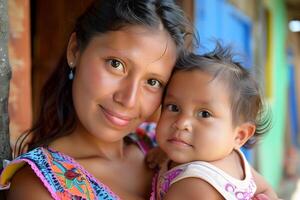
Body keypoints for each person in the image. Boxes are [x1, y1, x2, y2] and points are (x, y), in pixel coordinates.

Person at [0, 0, 192, 199]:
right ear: (75, 50)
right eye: (116, 64)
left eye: (152, 82)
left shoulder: (167, 145)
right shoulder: (40, 186)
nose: (129, 100)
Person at [149, 46, 279, 200]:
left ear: (239, 135)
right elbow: (267, 189)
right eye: (174, 107)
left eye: (204, 114)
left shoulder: (193, 186)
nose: (181, 122)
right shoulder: (237, 162)